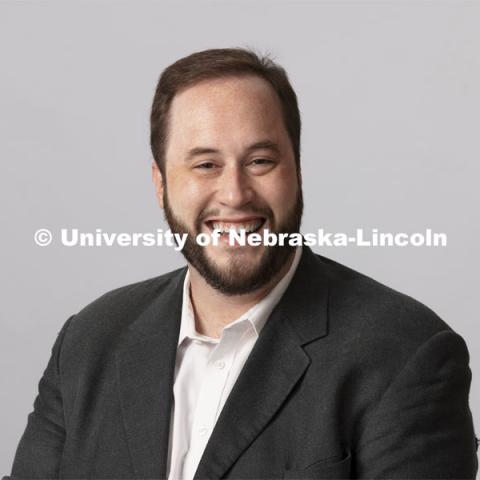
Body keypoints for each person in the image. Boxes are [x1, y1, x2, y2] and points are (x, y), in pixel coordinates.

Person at [5, 48, 478, 479]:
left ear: (297, 169)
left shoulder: (406, 354)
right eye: (205, 165)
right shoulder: (89, 341)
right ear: (160, 185)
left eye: (260, 161)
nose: (234, 194)